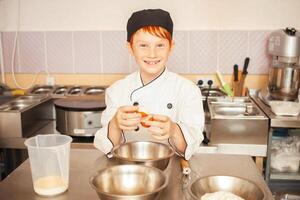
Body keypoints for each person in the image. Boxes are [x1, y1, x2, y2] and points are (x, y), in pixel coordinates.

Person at [94, 9, 204, 159]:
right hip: (128, 169)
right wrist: (114, 124)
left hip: (169, 170)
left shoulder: (188, 90)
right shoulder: (117, 90)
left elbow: (191, 146)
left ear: (171, 47)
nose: (152, 54)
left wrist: (173, 130)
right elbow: (108, 148)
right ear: (130, 48)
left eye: (160, 45)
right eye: (143, 45)